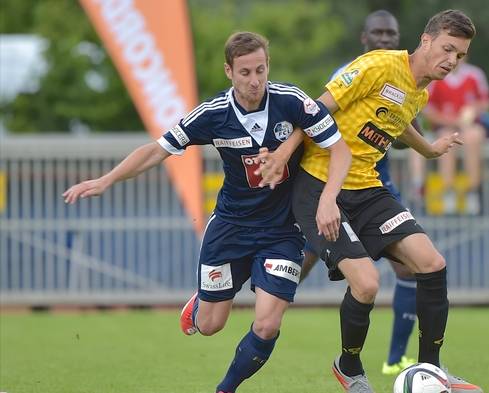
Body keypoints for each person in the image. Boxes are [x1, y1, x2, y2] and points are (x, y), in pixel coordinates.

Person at [62, 32, 351, 393]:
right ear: (229, 71)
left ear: (268, 66)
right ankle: (201, 302)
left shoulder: (291, 100)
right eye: (245, 72)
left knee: (266, 324)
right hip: (230, 228)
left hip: (282, 230)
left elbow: (340, 150)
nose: (255, 80)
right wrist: (107, 180)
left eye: (260, 70)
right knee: (211, 324)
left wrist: (328, 199)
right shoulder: (212, 114)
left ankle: (225, 388)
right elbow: (157, 150)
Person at [259, 9, 483, 393]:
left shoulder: (420, 91)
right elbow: (317, 108)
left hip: (367, 188)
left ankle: (431, 369)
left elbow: (400, 122)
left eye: (460, 56)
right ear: (425, 40)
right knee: (366, 284)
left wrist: (429, 150)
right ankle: (349, 367)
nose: (452, 61)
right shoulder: (378, 65)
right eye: (447, 49)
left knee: (432, 263)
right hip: (319, 184)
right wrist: (281, 155)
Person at [298, 9, 420, 377]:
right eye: (378, 33)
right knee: (301, 261)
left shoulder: (406, 81)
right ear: (364, 39)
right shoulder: (352, 73)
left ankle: (396, 357)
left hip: (375, 184)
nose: (385, 40)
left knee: (410, 267)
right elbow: (320, 118)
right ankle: (260, 305)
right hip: (330, 181)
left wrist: (393, 125)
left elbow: (403, 138)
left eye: (391, 34)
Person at [422, 56, 489, 215]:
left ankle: (472, 190)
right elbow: (427, 109)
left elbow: (486, 102)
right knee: (446, 138)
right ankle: (448, 190)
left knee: (473, 136)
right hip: (445, 127)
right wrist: (449, 120)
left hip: (469, 126)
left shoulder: (475, 74)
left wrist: (472, 111)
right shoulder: (436, 76)